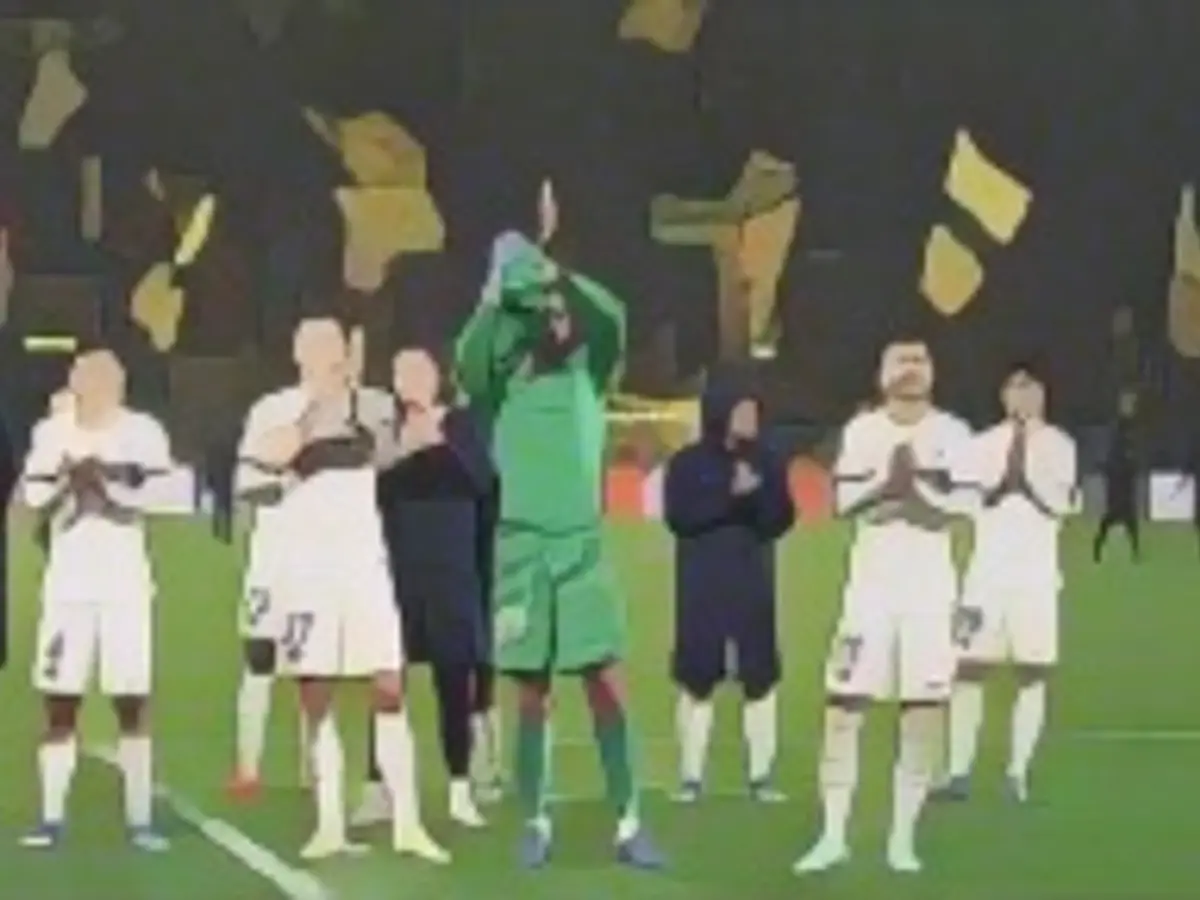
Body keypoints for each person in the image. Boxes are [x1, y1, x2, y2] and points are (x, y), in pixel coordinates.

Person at [454, 180, 664, 869]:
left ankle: (630, 819)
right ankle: (535, 820)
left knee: (606, 680)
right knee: (533, 692)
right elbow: (466, 360)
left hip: (580, 544)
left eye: (556, 308)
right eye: (540, 307)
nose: (554, 318)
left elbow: (613, 315)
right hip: (520, 545)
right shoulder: (504, 375)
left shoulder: (590, 371)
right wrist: (495, 292)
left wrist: (556, 271)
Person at [238, 316, 445, 862]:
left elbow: (400, 451)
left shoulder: (372, 404)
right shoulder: (276, 409)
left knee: (389, 687)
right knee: (318, 696)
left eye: (336, 346)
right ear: (298, 352)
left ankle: (408, 824)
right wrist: (314, 423)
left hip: (363, 565)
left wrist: (419, 414)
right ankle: (330, 823)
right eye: (318, 346)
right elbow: (255, 477)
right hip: (307, 571)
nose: (329, 355)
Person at [793, 337, 976, 875]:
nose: (910, 370)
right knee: (843, 706)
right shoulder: (863, 432)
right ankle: (832, 835)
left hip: (929, 594)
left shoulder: (953, 433)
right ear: (881, 375)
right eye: (900, 361)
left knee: (922, 710)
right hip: (868, 591)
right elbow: (845, 502)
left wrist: (915, 494)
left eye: (920, 360)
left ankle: (902, 839)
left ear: (933, 372)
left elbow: (964, 505)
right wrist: (886, 486)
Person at [20, 348, 174, 851]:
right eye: (91, 376)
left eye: (111, 376)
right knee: (60, 700)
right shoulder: (53, 432)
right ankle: (50, 819)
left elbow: (168, 493)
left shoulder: (143, 432)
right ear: (76, 381)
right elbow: (34, 497)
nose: (103, 384)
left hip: (125, 585)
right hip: (68, 587)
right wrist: (69, 477)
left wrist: (112, 485)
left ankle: (139, 819)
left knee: (131, 699)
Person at [352, 347, 498, 829]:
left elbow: (480, 481)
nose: (412, 381)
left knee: (454, 681)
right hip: (396, 574)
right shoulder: (386, 434)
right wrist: (404, 452)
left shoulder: (461, 426)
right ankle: (378, 787)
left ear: (437, 379)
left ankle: (460, 785)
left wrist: (435, 443)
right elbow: (371, 491)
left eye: (421, 372)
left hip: (453, 574)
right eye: (403, 372)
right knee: (389, 682)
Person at [934, 362, 1076, 804]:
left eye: (1031, 387)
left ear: (1043, 396)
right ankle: (958, 772)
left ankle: (1017, 772)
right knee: (968, 673)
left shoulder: (1059, 445)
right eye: (1016, 386)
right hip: (985, 580)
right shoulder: (981, 446)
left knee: (1032, 675)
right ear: (1004, 396)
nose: (1024, 395)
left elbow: (1064, 502)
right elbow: (952, 493)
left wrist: (1024, 481)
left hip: (1034, 580)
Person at [662, 371, 795, 803]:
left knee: (760, 676)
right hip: (702, 584)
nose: (751, 417)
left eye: (755, 409)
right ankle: (691, 777)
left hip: (752, 582)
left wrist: (754, 497)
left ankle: (761, 778)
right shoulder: (686, 464)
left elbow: (781, 519)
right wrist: (730, 495)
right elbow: (680, 517)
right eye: (742, 409)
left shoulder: (770, 461)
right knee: (697, 676)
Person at [1092, 391, 1140, 561]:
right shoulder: (1121, 429)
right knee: (1115, 519)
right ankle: (1098, 549)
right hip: (1119, 482)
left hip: (1122, 482)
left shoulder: (1127, 429)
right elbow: (1120, 451)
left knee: (1123, 520)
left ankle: (1134, 552)